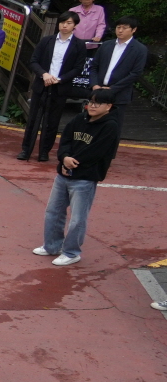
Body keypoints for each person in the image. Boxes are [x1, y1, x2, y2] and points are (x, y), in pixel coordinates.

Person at [31, 85, 120, 266]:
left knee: (77, 218)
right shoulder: (79, 119)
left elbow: (97, 152)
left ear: (109, 106)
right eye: (91, 102)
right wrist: (64, 158)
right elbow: (65, 140)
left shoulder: (110, 126)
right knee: (53, 211)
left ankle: (71, 252)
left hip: (85, 178)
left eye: (99, 103)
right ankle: (52, 246)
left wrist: (72, 164)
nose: (93, 106)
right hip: (64, 173)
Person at [19, 11, 85, 160]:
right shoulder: (47, 40)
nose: (64, 26)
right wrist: (44, 74)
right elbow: (34, 61)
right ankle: (26, 150)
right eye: (62, 22)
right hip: (42, 85)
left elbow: (78, 68)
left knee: (52, 122)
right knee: (33, 119)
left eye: (69, 23)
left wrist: (60, 79)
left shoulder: (79, 45)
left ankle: (44, 152)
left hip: (60, 87)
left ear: (74, 25)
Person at [90, 15, 149, 133]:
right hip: (99, 92)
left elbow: (135, 73)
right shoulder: (107, 45)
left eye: (125, 28)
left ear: (133, 30)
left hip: (119, 95)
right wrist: (95, 85)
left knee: (113, 129)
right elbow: (94, 66)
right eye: (118, 27)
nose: (120, 30)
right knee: (93, 127)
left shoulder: (140, 49)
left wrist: (112, 89)